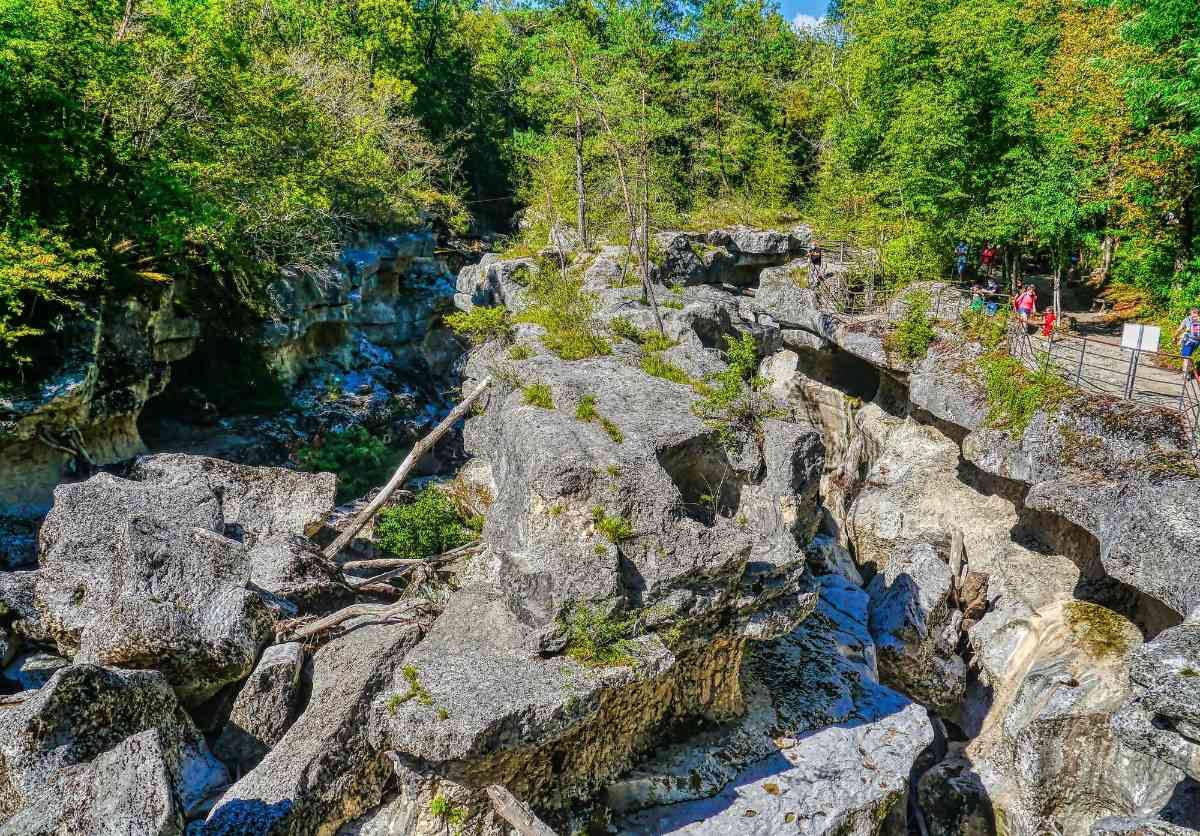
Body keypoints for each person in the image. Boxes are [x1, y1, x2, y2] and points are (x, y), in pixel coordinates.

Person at [1174, 307, 1200, 381]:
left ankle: (1186, 375)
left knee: (1186, 357)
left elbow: (1179, 329)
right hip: (1197, 342)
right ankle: (1189, 371)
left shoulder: (1188, 319)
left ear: (1191, 312)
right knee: (1188, 356)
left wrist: (1174, 337)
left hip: (1189, 341)